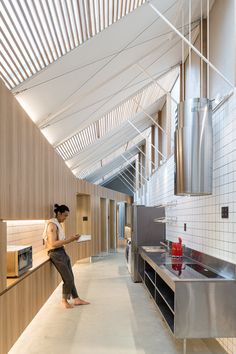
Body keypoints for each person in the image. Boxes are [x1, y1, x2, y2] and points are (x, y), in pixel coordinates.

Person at [43, 203, 90, 309]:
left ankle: (76, 299)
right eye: (64, 216)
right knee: (67, 279)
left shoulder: (57, 224)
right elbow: (53, 243)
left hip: (61, 252)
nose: (65, 218)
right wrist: (71, 239)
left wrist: (72, 238)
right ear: (59, 213)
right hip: (56, 253)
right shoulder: (52, 225)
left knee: (71, 277)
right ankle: (64, 300)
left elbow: (60, 241)